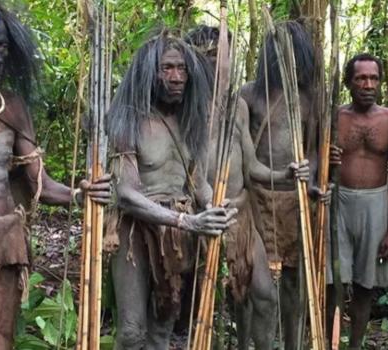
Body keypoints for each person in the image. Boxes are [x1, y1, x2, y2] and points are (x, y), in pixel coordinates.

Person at [0, 3, 110, 349]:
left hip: (3, 248)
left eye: (1, 48)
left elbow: (40, 185)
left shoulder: (14, 108)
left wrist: (82, 195)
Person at [105, 29, 237, 349]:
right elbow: (126, 193)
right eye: (167, 68)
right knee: (132, 332)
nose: (176, 77)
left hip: (178, 238)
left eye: (182, 69)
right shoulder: (128, 120)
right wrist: (187, 222)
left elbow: (197, 182)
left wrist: (214, 205)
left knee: (162, 329)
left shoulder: (191, 121)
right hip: (135, 231)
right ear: (151, 72)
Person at [184, 25, 309, 349]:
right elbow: (189, 170)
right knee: (206, 305)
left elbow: (251, 165)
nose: (217, 63)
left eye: (222, 55)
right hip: (204, 218)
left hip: (241, 216)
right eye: (209, 56)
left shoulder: (236, 105)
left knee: (266, 295)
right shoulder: (184, 109)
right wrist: (208, 201)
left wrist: (286, 175)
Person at [240, 20, 316, 349]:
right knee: (253, 282)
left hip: (297, 201)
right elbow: (241, 155)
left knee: (294, 282)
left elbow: (314, 151)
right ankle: (248, 343)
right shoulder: (248, 95)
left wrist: (310, 180)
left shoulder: (310, 99)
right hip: (257, 199)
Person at [327, 53, 388, 349]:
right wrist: (327, 159)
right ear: (349, 82)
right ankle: (329, 342)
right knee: (333, 283)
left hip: (375, 205)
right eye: (361, 78)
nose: (368, 84)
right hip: (339, 202)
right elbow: (314, 162)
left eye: (373, 78)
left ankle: (356, 345)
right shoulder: (334, 117)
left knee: (365, 285)